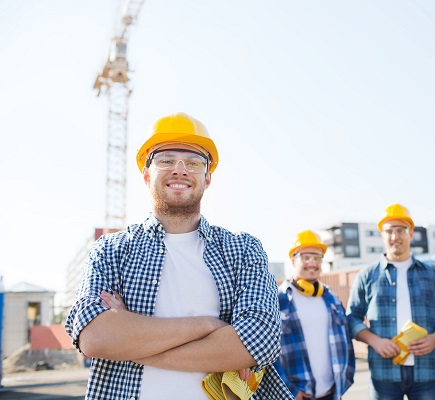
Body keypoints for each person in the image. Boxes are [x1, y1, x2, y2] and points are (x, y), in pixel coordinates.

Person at [65, 112, 293, 400]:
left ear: (207, 178)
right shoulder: (111, 250)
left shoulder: (244, 249)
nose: (180, 169)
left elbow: (258, 343)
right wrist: (210, 325)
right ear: (147, 174)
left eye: (194, 162)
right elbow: (95, 338)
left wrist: (130, 341)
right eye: (166, 160)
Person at [346, 203, 435, 400]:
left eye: (401, 230)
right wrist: (375, 341)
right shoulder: (367, 275)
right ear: (382, 235)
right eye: (389, 231)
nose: (395, 237)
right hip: (384, 373)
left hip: (426, 371)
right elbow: (351, 318)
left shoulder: (431, 275)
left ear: (411, 233)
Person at [276, 230, 355, 400]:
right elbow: (266, 354)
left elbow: (346, 342)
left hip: (331, 393)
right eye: (305, 257)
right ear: (292, 260)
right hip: (295, 396)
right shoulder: (277, 300)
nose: (312, 263)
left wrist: (344, 380)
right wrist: (289, 390)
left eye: (317, 257)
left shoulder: (332, 299)